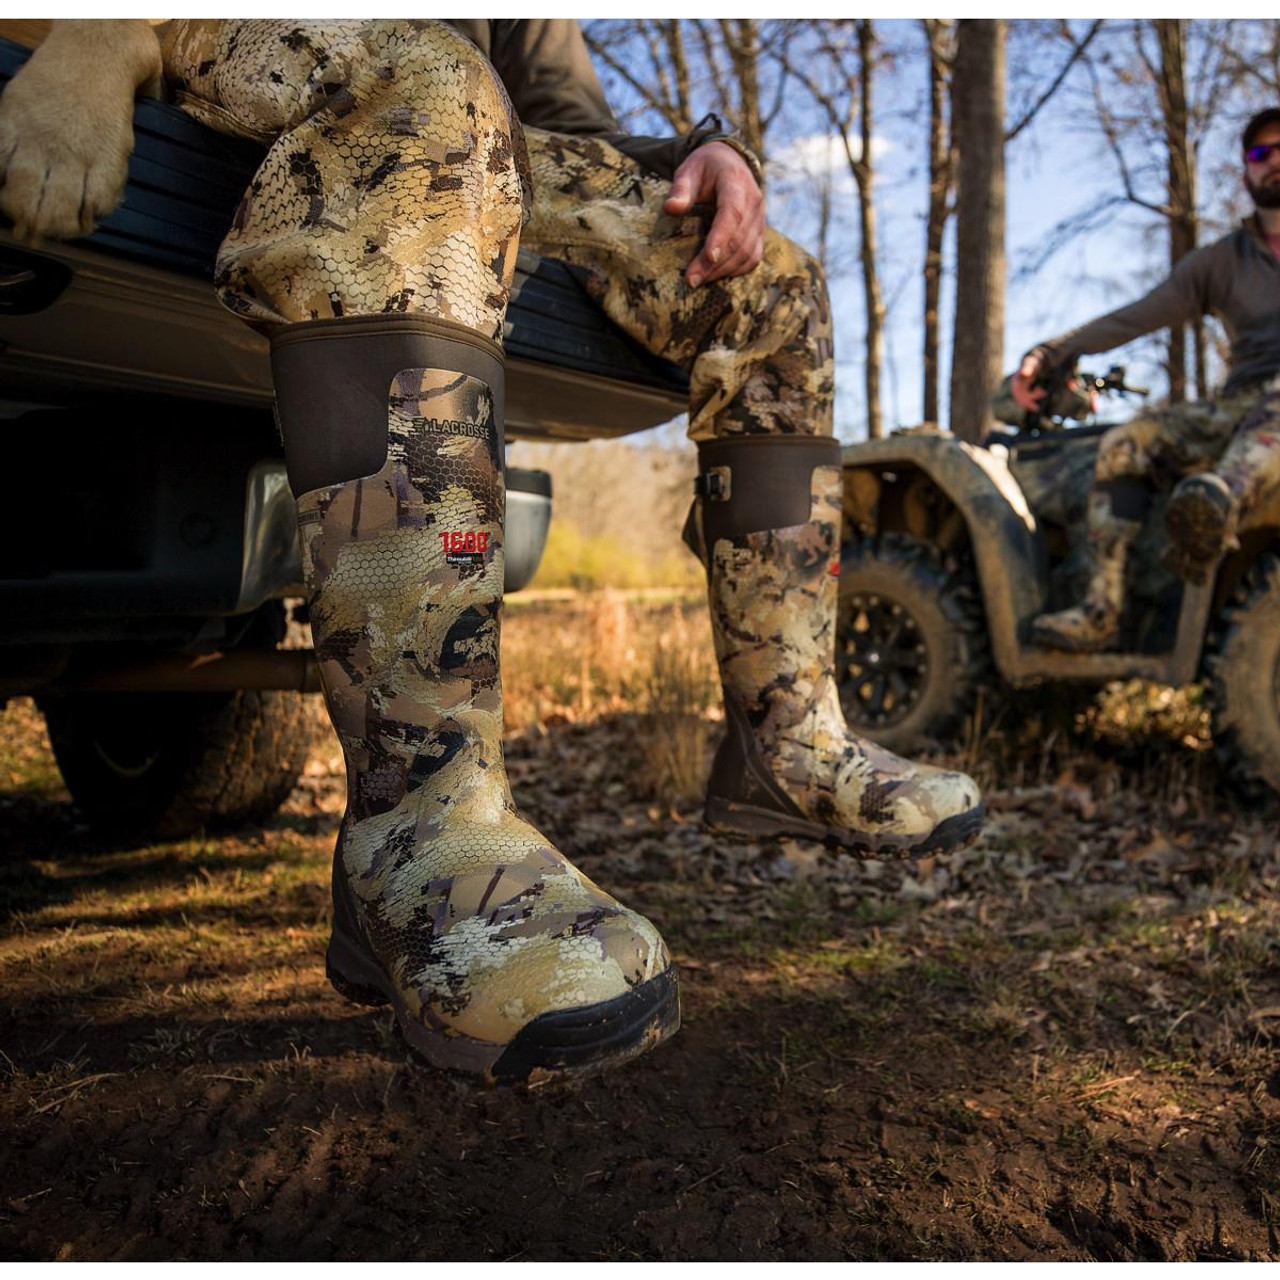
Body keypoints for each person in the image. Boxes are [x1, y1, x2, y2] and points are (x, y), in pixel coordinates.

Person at [0, 19, 984, 1083]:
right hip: (227, 66)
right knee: (436, 84)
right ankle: (420, 830)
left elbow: (570, 127)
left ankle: (787, 741)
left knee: (770, 282)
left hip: (468, 141)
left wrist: (717, 157)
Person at [1015, 107, 1280, 653]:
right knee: (1124, 443)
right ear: (1245, 174)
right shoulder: (1222, 261)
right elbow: (1140, 313)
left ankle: (1211, 511)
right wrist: (1052, 351)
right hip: (1240, 411)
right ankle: (1102, 612)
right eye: (1261, 153)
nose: (1274, 160)